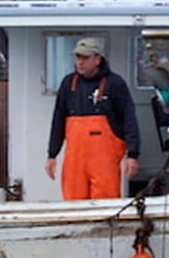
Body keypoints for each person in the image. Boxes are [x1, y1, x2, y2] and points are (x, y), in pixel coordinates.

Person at [46, 36, 140, 200]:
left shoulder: (115, 84)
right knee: (73, 206)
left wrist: (133, 155)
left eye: (85, 57)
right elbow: (58, 121)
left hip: (104, 163)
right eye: (78, 57)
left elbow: (129, 120)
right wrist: (52, 155)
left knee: (106, 206)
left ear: (97, 59)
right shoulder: (68, 84)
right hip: (75, 163)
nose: (80, 62)